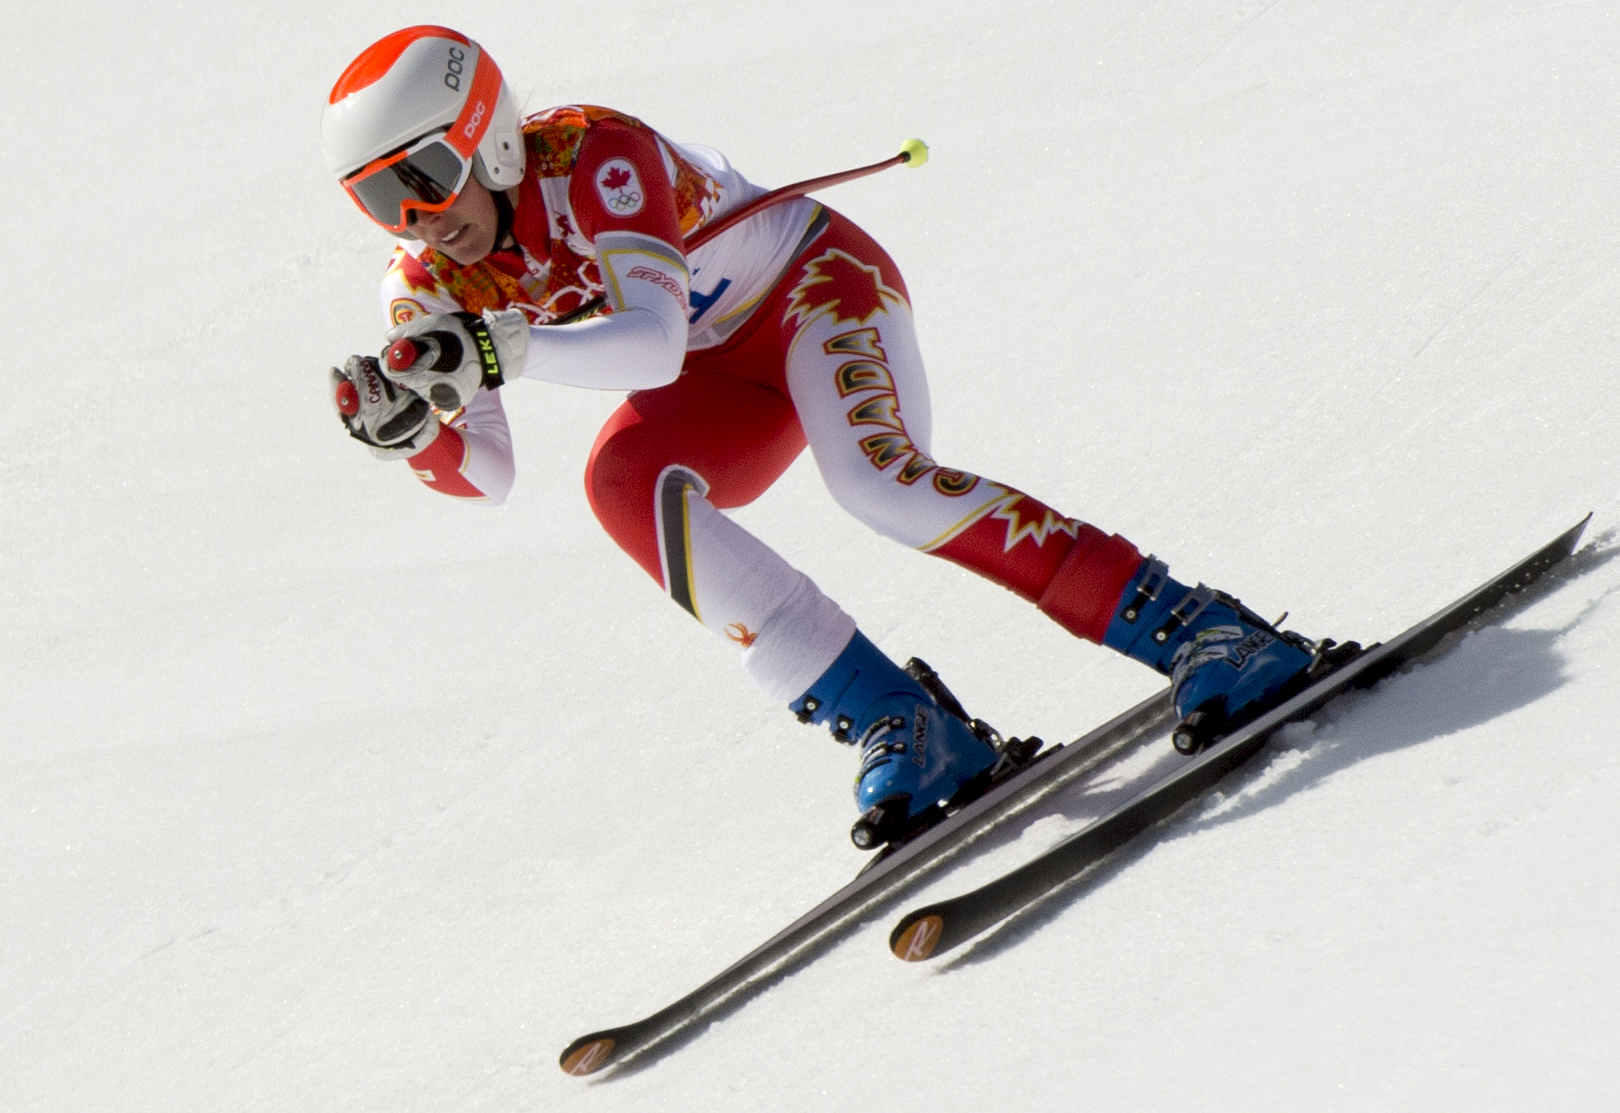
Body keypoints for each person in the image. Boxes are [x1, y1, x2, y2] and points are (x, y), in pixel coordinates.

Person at [321, 26, 1343, 849]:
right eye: (376, 196)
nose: (412, 216)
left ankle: (1199, 627)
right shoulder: (422, 283)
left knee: (878, 484)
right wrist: (410, 433)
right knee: (626, 485)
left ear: (488, 137)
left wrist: (505, 351)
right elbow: (488, 475)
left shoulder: (594, 157)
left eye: (423, 172)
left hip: (814, 291)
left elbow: (650, 341)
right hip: (723, 373)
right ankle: (907, 723)